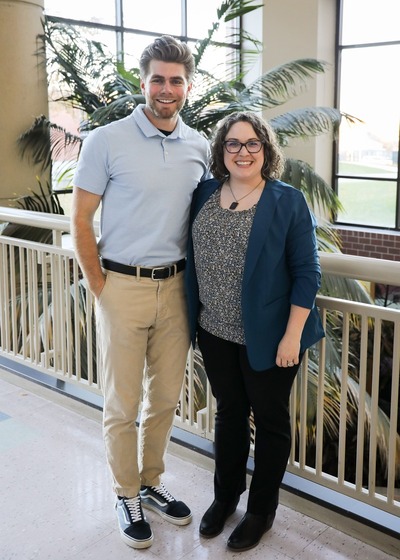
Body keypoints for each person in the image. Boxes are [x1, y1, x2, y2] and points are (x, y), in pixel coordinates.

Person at [71, 35, 210, 550]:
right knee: (122, 403)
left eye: (176, 80)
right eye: (158, 78)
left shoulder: (198, 146)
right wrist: (100, 288)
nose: (166, 88)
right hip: (121, 286)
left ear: (188, 86)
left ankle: (151, 482)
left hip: (176, 289)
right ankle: (125, 492)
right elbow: (80, 219)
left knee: (165, 400)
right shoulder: (106, 140)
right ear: (143, 81)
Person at [185, 111, 325, 552]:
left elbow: (307, 271)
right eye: (233, 144)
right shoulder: (205, 193)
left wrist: (292, 335)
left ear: (266, 151)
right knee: (227, 415)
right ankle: (225, 497)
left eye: (252, 144)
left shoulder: (287, 200)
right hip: (214, 330)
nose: (243, 152)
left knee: (269, 422)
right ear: (220, 151)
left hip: (272, 336)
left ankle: (261, 511)